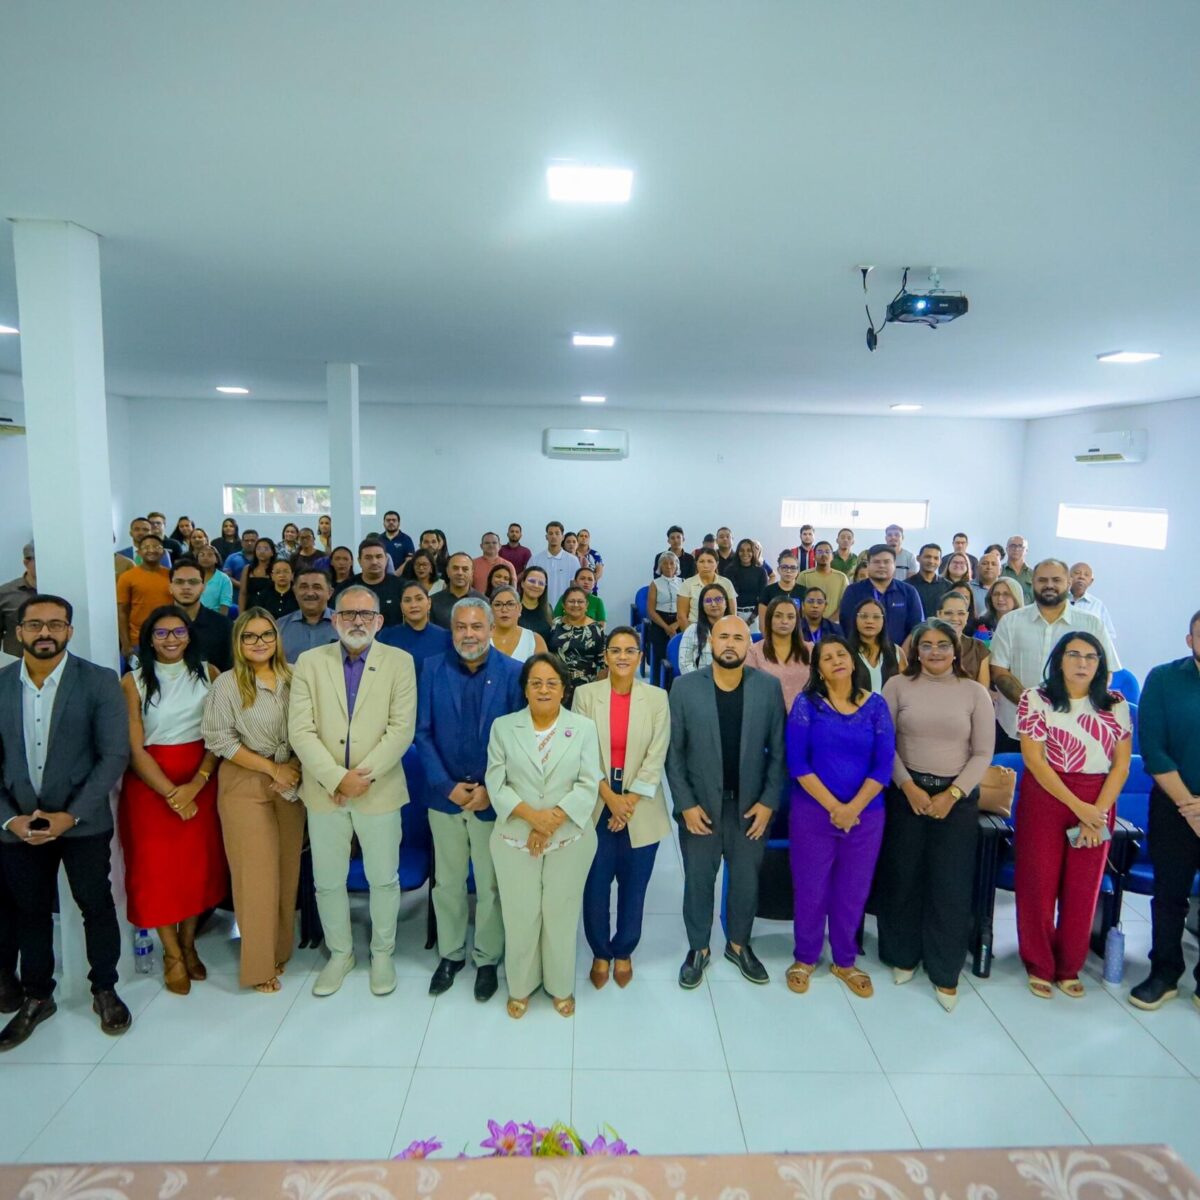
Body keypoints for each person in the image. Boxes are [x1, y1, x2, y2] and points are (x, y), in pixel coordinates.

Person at [0, 595, 132, 1050]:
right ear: (19, 632)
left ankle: (105, 989)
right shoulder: (1, 685)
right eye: (35, 624)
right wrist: (9, 819)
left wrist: (69, 815)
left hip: (83, 822)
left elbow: (113, 755)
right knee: (30, 912)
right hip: (18, 825)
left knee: (95, 904)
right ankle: (38, 996)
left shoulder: (98, 681)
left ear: (69, 631)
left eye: (56, 625)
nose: (45, 633)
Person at [288, 586, 418, 998]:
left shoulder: (400, 662)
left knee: (383, 879)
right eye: (348, 614)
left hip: (378, 790)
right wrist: (335, 778)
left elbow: (401, 729)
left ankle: (382, 953)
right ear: (334, 620)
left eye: (365, 615)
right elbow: (300, 730)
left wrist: (361, 777)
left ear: (379, 621)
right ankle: (340, 954)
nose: (357, 621)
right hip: (324, 792)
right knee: (328, 881)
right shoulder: (310, 662)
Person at [877, 620, 994, 1010]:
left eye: (943, 644)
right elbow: (885, 743)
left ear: (956, 650)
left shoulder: (974, 692)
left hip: (956, 799)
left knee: (950, 884)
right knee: (904, 877)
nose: (935, 652)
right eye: (925, 645)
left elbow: (983, 753)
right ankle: (902, 956)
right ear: (915, 651)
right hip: (905, 793)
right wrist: (907, 786)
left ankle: (945, 970)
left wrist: (953, 794)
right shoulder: (897, 686)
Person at [669, 616, 786, 988]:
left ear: (748, 645)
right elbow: (673, 754)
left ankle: (738, 945)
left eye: (739, 637)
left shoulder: (767, 687)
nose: (731, 643)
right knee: (698, 881)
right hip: (700, 807)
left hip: (750, 808)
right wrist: (686, 804)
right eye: (724, 636)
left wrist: (768, 802)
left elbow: (779, 752)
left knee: (746, 882)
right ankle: (699, 948)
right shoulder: (684, 688)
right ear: (711, 643)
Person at [416, 598, 523, 1001]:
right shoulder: (432, 668)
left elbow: (519, 739)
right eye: (460, 627)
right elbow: (421, 732)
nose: (468, 634)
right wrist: (446, 785)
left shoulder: (513, 673)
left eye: (477, 626)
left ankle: (487, 958)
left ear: (491, 629)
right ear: (452, 630)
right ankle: (451, 954)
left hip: (490, 800)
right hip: (444, 797)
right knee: (447, 882)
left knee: (491, 885)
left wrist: (489, 791)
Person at [486, 653, 603, 1018]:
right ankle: (521, 986)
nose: (544, 689)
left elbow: (588, 783)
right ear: (525, 689)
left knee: (559, 912)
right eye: (535, 683)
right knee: (520, 913)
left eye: (552, 683)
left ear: (564, 689)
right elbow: (496, 782)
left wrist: (550, 821)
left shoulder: (583, 728)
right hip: (514, 836)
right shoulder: (503, 727)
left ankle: (560, 986)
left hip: (569, 837)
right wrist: (533, 819)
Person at [1015, 633, 1131, 999]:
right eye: (1074, 655)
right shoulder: (1036, 698)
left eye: (1091, 657)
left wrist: (1096, 812)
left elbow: (1121, 766)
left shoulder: (1115, 703)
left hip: (1098, 798)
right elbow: (1034, 760)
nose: (1082, 663)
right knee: (1039, 882)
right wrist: (1079, 807)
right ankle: (1039, 963)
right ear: (1059, 660)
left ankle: (1068, 966)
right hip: (1046, 795)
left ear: (1100, 664)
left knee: (1083, 887)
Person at [118, 607, 225, 995]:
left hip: (201, 778)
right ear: (149, 638)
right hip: (150, 787)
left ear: (189, 635)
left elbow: (219, 734)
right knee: (157, 873)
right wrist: (171, 794)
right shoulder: (132, 681)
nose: (171, 639)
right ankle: (172, 954)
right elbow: (134, 747)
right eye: (161, 633)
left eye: (178, 631)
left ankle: (189, 942)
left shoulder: (210, 674)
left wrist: (196, 784)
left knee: (196, 869)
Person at [785, 635, 894, 998]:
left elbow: (883, 765)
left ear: (853, 660)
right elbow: (798, 763)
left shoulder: (876, 705)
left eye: (841, 654)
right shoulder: (807, 705)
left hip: (865, 816)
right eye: (827, 657)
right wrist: (835, 808)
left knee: (853, 890)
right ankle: (805, 957)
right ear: (818, 669)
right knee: (811, 888)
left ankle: (845, 960)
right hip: (813, 813)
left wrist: (852, 809)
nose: (836, 660)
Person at [202, 608, 305, 993]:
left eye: (266, 635)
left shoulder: (296, 676)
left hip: (291, 780)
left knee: (286, 872)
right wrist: (271, 768)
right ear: (238, 642)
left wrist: (293, 766)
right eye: (250, 636)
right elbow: (219, 738)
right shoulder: (227, 684)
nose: (259, 642)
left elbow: (312, 726)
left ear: (277, 639)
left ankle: (279, 951)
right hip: (246, 781)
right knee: (255, 877)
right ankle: (259, 966)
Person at [574, 628, 671, 989]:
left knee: (634, 885)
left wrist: (627, 801)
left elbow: (657, 754)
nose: (623, 657)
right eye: (615, 650)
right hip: (596, 802)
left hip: (640, 805)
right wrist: (610, 798)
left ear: (640, 656)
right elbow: (581, 753)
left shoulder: (657, 698)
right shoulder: (586, 696)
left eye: (630, 650)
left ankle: (625, 949)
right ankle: (600, 951)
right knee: (595, 885)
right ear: (605, 656)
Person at [1128, 611, 1200, 1012]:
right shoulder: (1163, 678)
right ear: (1189, 640)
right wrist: (1191, 808)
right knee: (1169, 893)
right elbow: (1153, 749)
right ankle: (1164, 973)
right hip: (1173, 806)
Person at [989, 559, 1119, 753]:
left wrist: (1064, 707)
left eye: (1056, 580)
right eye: (1042, 580)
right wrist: (1033, 706)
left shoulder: (1092, 624)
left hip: (1072, 730)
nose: (1049, 585)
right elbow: (999, 671)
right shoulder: (1010, 621)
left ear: (1068, 582)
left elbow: (1104, 673)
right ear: (1033, 583)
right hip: (1014, 727)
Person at [838, 544, 924, 647]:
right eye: (876, 562)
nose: (882, 565)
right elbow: (847, 625)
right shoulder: (853, 591)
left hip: (901, 652)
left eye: (886, 562)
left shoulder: (909, 591)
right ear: (868, 565)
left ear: (894, 564)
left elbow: (917, 627)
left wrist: (903, 651)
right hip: (861, 652)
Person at [902, 592, 989, 686]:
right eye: (948, 613)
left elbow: (983, 689)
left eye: (961, 613)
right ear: (939, 614)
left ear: (967, 616)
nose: (955, 618)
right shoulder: (921, 644)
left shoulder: (978, 648)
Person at [745, 597, 811, 711]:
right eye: (778, 616)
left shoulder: (811, 650)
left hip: (806, 715)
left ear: (797, 621)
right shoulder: (753, 652)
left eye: (790, 617)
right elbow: (750, 691)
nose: (784, 621)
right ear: (769, 618)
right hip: (768, 715)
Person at [168, 559, 233, 671]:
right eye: (179, 582)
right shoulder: (156, 624)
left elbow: (231, 670)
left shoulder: (224, 626)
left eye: (193, 582)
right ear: (170, 587)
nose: (186, 587)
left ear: (203, 587)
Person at [116, 534, 174, 658]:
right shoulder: (127, 577)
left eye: (156, 547)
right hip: (138, 640)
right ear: (139, 552)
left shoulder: (172, 576)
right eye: (146, 547)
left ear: (163, 552)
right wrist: (125, 643)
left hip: (169, 638)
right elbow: (122, 612)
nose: (151, 550)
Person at [377, 580, 453, 674]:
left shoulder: (446, 637)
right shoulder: (386, 637)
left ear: (429, 603)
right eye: (407, 600)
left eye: (419, 599)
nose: (413, 605)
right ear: (401, 607)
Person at [549, 585, 606, 695]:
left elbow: (603, 664)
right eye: (571, 601)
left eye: (580, 601)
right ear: (563, 605)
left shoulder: (596, 629)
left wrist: (599, 689)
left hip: (585, 687)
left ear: (586, 605)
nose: (576, 605)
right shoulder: (555, 624)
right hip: (555, 684)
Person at [278, 566, 338, 663]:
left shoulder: (344, 624)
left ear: (329, 593)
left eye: (317, 587)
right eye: (304, 587)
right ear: (295, 592)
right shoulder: (280, 626)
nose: (310, 593)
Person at [846, 597, 906, 693]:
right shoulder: (845, 652)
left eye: (876, 617)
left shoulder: (896, 652)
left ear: (884, 621)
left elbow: (906, 689)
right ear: (855, 620)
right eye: (864, 616)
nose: (870, 621)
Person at [677, 548, 737, 629]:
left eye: (710, 561)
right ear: (696, 563)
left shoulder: (726, 583)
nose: (705, 565)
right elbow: (681, 616)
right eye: (701, 561)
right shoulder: (687, 584)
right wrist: (689, 634)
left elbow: (732, 614)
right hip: (695, 629)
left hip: (722, 629)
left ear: (717, 563)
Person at [350, 536, 404, 626]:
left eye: (379, 557)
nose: (374, 562)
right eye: (368, 558)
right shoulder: (347, 588)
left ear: (386, 559)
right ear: (359, 561)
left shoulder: (402, 587)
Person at [678, 583, 729, 675]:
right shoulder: (692, 630)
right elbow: (685, 663)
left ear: (726, 603)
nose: (713, 604)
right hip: (700, 680)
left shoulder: (738, 628)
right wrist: (700, 681)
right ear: (702, 606)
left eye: (718, 599)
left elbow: (749, 658)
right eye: (708, 600)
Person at [489, 586, 546, 662]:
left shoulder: (534, 641)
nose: (504, 610)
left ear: (519, 608)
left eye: (510, 604)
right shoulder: (481, 638)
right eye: (498, 605)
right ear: (490, 609)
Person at [528, 521, 578, 608]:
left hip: (564, 609)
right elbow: (529, 585)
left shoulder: (573, 560)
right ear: (546, 537)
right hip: (540, 608)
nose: (554, 536)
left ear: (562, 537)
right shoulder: (535, 559)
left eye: (557, 533)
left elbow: (575, 587)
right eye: (550, 533)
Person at [0, 542, 37, 658]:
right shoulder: (5, 593)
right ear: (26, 562)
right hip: (17, 662)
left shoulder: (60, 590)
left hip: (55, 661)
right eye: (37, 560)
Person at [646, 551, 682, 668]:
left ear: (676, 565)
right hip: (660, 621)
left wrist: (676, 625)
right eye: (665, 563)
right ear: (660, 566)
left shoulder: (683, 583)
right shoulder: (655, 584)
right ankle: (659, 678)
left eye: (672, 563)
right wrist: (667, 627)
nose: (669, 566)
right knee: (661, 654)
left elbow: (687, 609)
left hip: (679, 620)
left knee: (679, 653)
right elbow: (651, 611)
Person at [431, 552, 486, 628]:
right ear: (447, 571)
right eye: (455, 568)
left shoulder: (483, 602)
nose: (460, 573)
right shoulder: (432, 601)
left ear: (472, 572)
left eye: (465, 569)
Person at [723, 539, 770, 627]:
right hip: (733, 615)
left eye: (749, 550)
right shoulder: (729, 571)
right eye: (742, 550)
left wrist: (750, 620)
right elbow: (726, 595)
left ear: (753, 552)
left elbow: (763, 599)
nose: (745, 553)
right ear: (737, 552)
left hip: (754, 617)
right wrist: (735, 616)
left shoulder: (761, 572)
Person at [1068, 563, 1118, 645]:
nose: (1081, 577)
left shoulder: (1097, 605)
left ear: (1091, 582)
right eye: (1077, 573)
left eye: (1086, 575)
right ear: (1068, 578)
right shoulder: (1059, 600)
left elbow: (1109, 635)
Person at [798, 542, 849, 621]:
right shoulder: (804, 576)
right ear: (814, 556)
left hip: (834, 624)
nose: (824, 554)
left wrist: (829, 623)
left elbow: (845, 604)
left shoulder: (842, 577)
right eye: (820, 552)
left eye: (827, 552)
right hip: (808, 624)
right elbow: (799, 603)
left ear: (832, 556)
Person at [756, 552, 804, 628]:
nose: (788, 571)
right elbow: (763, 624)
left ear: (798, 571)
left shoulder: (804, 591)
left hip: (798, 634)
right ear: (778, 570)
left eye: (793, 568)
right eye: (784, 567)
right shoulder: (767, 591)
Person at [976, 576, 1024, 644]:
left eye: (1006, 594)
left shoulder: (1025, 624)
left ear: (1016, 597)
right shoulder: (983, 623)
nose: (1000, 598)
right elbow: (979, 648)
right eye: (996, 594)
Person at [909, 544, 951, 618]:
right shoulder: (907, 586)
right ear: (918, 558)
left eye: (936, 558)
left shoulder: (948, 586)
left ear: (940, 562)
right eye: (927, 557)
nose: (931, 561)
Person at [237, 535, 277, 613]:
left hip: (270, 610)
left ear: (272, 552)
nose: (262, 551)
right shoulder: (247, 569)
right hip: (250, 609)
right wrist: (241, 614)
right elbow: (243, 593)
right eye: (259, 548)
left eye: (266, 549)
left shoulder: (276, 569)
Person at [517, 565, 554, 642]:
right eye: (532, 581)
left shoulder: (548, 609)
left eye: (541, 583)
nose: (536, 586)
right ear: (522, 583)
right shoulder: (512, 607)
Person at [194, 543, 233, 614]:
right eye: (202, 555)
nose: (205, 558)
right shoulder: (192, 576)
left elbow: (224, 605)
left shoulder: (224, 579)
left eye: (210, 555)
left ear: (216, 559)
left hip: (214, 617)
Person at [1002, 536, 1035, 602]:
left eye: (1020, 546)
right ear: (1007, 549)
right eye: (1012, 545)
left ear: (1026, 551)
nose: (1016, 549)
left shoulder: (1033, 574)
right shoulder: (999, 571)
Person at [972, 548, 1003, 614]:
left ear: (1000, 570)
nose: (989, 567)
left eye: (993, 564)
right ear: (977, 568)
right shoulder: (966, 588)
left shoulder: (1007, 588)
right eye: (985, 563)